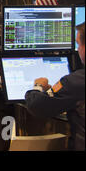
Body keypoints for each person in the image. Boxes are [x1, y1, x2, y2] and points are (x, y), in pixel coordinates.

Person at [25, 22, 85, 151]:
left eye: (78, 44)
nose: (78, 49)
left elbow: (37, 106)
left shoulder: (76, 82)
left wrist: (38, 87)